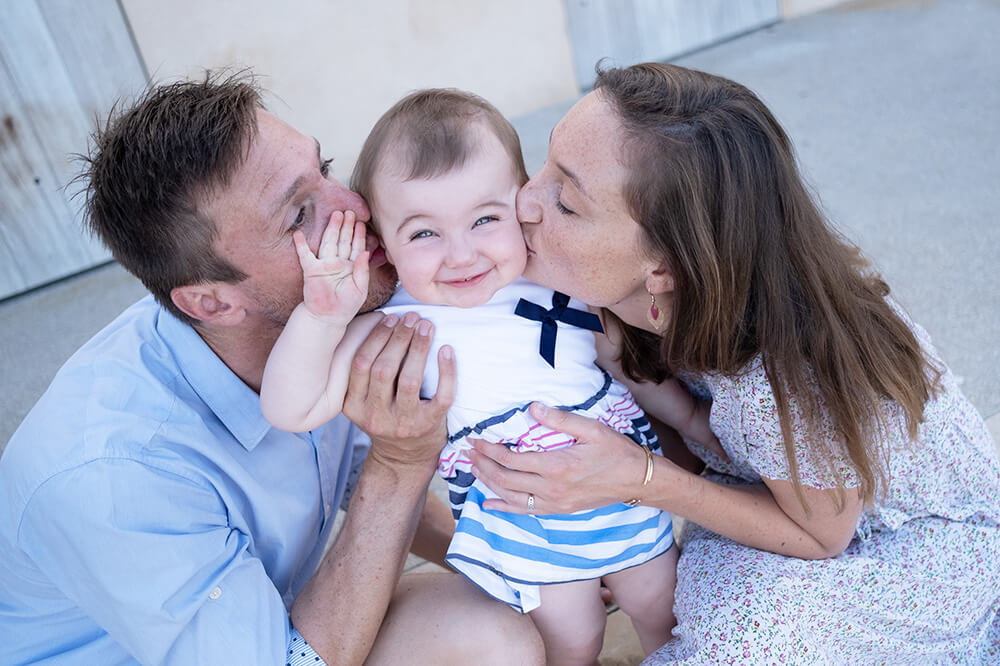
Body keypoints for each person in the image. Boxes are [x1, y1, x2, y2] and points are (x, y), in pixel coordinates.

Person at [0, 71, 543, 665]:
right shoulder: (112, 478)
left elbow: (358, 477)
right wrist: (403, 461)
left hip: (267, 622)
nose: (358, 209)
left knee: (499, 624)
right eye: (299, 215)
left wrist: (517, 556)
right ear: (214, 302)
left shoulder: (310, 324)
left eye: (326, 167)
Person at [468, 62, 1000, 664]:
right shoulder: (620, 289)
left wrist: (637, 479)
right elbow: (699, 438)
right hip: (768, 485)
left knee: (741, 634)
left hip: (906, 540)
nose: (525, 202)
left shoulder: (780, 370)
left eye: (565, 200)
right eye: (544, 164)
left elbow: (823, 535)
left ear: (664, 268)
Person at [260, 88, 678, 663]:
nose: (461, 256)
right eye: (424, 233)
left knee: (663, 609)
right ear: (380, 241)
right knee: (573, 638)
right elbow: (291, 407)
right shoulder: (398, 322)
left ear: (523, 203)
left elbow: (619, 363)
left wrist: (693, 423)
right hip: (524, 516)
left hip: (623, 487)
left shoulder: (554, 275)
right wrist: (322, 316)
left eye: (485, 219)